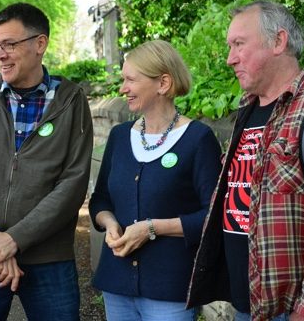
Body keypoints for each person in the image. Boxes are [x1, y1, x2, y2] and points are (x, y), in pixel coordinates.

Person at [0, 2, 93, 321]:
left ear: (40, 44)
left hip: (48, 259)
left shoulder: (71, 100)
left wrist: (14, 239)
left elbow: (73, 183)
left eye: (10, 44)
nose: (0, 54)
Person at [187, 0, 304, 321]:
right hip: (245, 303)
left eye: (239, 45)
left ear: (278, 42)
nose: (230, 59)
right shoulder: (246, 111)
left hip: (291, 309)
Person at [88, 39, 222, 320]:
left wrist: (153, 228)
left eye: (130, 80)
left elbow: (214, 216)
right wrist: (111, 223)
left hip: (169, 288)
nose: (123, 88)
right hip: (117, 283)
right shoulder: (119, 136)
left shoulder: (198, 139)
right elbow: (100, 200)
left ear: (162, 83)